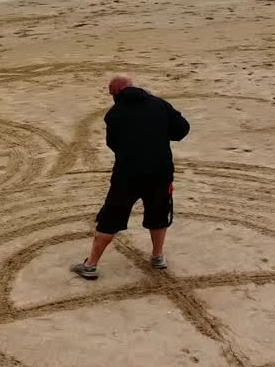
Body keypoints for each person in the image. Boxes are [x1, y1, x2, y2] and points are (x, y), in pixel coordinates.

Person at [71, 74, 190, 280]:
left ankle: (90, 265)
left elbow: (112, 144)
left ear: (117, 93)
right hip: (160, 172)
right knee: (159, 213)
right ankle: (157, 257)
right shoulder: (160, 105)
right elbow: (182, 129)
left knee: (111, 217)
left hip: (127, 175)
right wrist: (159, 135)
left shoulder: (115, 114)